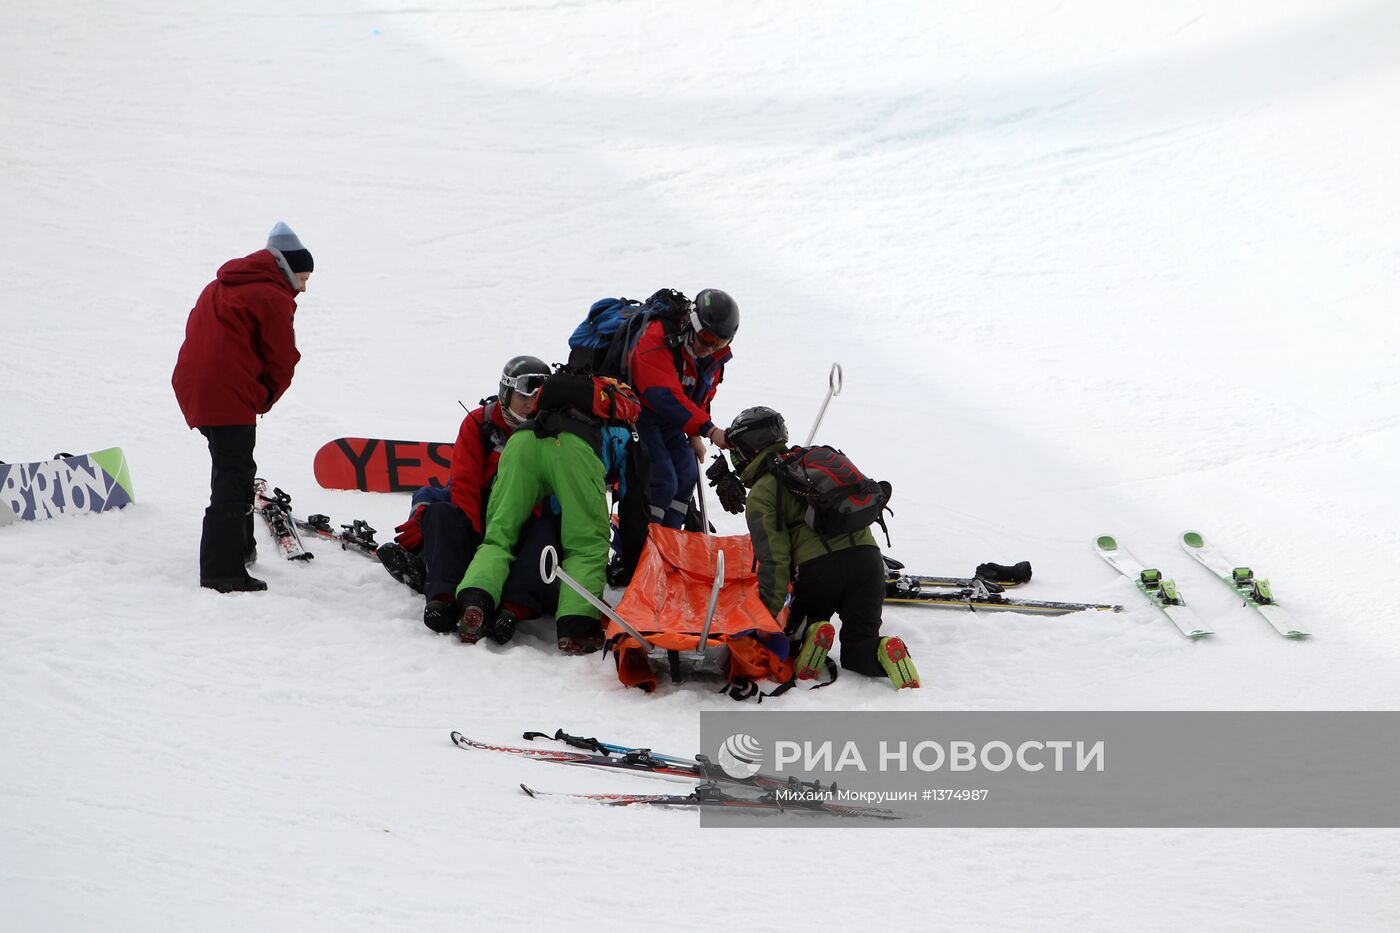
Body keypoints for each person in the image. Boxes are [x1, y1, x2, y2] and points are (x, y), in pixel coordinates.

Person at [724, 406, 920, 690]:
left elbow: (774, 561)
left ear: (746, 450)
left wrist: (765, 619)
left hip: (818, 572)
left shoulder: (764, 491)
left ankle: (811, 635)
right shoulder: (813, 465)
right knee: (857, 646)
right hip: (869, 563)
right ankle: (883, 649)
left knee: (795, 637)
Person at [455, 369, 647, 654]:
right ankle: (576, 629)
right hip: (574, 450)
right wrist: (634, 565)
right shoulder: (627, 433)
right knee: (586, 545)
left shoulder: (553, 409)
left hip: (521, 443)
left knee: (499, 536)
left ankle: (475, 600)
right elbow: (634, 506)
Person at [376, 356, 562, 641]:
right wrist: (478, 540)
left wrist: (503, 536)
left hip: (523, 516)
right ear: (507, 392)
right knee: (439, 511)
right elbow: (465, 483)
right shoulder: (480, 423)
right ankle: (443, 597)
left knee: (544, 531)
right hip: (480, 511)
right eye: (524, 394)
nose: (530, 403)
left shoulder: (549, 430)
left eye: (538, 395)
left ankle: (512, 607)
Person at [172, 222, 312, 593]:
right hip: (227, 395)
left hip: (198, 390)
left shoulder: (220, 285)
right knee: (232, 480)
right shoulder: (271, 296)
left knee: (236, 468)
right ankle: (222, 572)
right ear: (287, 268)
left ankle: (242, 549)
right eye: (303, 277)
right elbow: (283, 358)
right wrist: (262, 396)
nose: (303, 287)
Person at [626, 288, 737, 528]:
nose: (710, 347)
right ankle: (642, 549)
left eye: (720, 342)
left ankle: (673, 547)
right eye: (707, 338)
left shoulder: (713, 358)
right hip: (638, 413)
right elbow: (663, 395)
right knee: (662, 480)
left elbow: (702, 396)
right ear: (693, 324)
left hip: (672, 420)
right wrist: (709, 430)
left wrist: (695, 434)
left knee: (687, 473)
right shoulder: (657, 338)